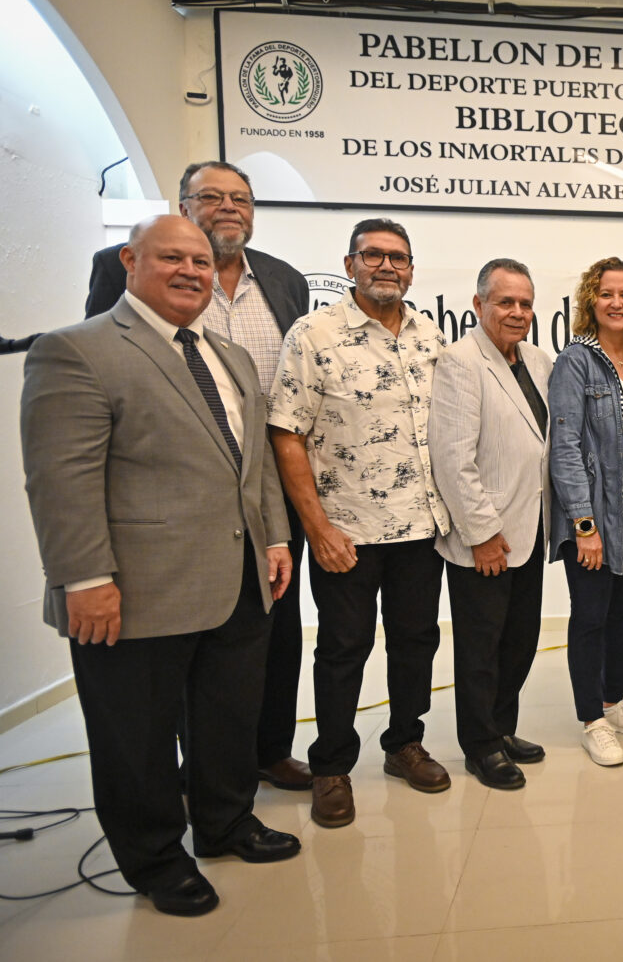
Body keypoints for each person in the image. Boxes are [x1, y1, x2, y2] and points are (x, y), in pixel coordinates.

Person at [20, 215, 298, 917]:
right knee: (137, 736)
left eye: (201, 261)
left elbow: (253, 461)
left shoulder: (228, 356)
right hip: (134, 589)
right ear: (129, 260)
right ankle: (154, 859)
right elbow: (62, 480)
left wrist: (273, 538)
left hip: (238, 578)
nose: (191, 271)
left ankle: (226, 822)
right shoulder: (76, 350)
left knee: (228, 716)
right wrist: (83, 579)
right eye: (171, 257)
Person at [87, 160, 313, 792]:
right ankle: (204, 765)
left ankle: (268, 749)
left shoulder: (284, 280)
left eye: (239, 198)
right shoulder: (123, 267)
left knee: (274, 624)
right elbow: (107, 368)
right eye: (210, 197)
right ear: (183, 207)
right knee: (191, 627)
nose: (227, 207)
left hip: (275, 479)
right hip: (181, 490)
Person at [268, 218, 451, 827]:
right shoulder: (314, 334)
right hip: (346, 531)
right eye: (373, 256)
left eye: (398, 258)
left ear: (411, 269)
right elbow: (286, 433)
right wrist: (317, 528)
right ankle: (331, 767)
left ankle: (404, 743)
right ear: (349, 265)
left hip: (422, 528)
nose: (386, 267)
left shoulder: (430, 336)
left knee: (416, 642)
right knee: (344, 649)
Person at [430, 259, 552, 790]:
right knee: (481, 646)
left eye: (525, 303)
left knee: (520, 640)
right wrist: (481, 535)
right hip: (487, 538)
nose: (518, 312)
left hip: (531, 527)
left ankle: (502, 728)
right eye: (506, 302)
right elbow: (453, 459)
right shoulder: (460, 362)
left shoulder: (538, 361)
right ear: (479, 305)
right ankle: (480, 745)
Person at [548, 257, 623, 766]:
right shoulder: (576, 360)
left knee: (622, 612)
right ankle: (590, 719)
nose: (617, 303)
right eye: (607, 294)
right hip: (594, 518)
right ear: (591, 302)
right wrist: (584, 526)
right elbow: (565, 447)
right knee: (591, 617)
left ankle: (613, 702)